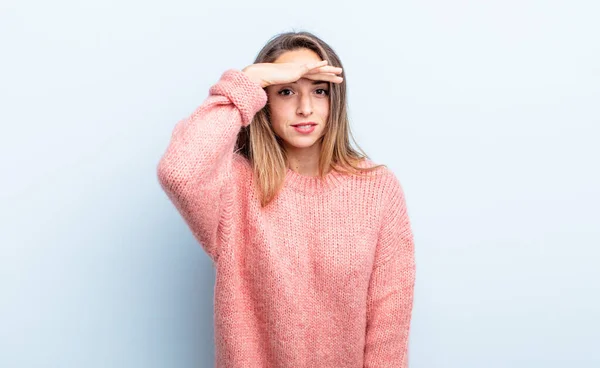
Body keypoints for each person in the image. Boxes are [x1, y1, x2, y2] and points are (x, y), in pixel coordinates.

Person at [157, 31, 416, 368]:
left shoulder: (377, 189)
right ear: (264, 100)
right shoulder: (234, 187)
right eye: (286, 91)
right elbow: (180, 171)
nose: (305, 108)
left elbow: (389, 327)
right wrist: (248, 82)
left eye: (319, 91)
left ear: (334, 101)